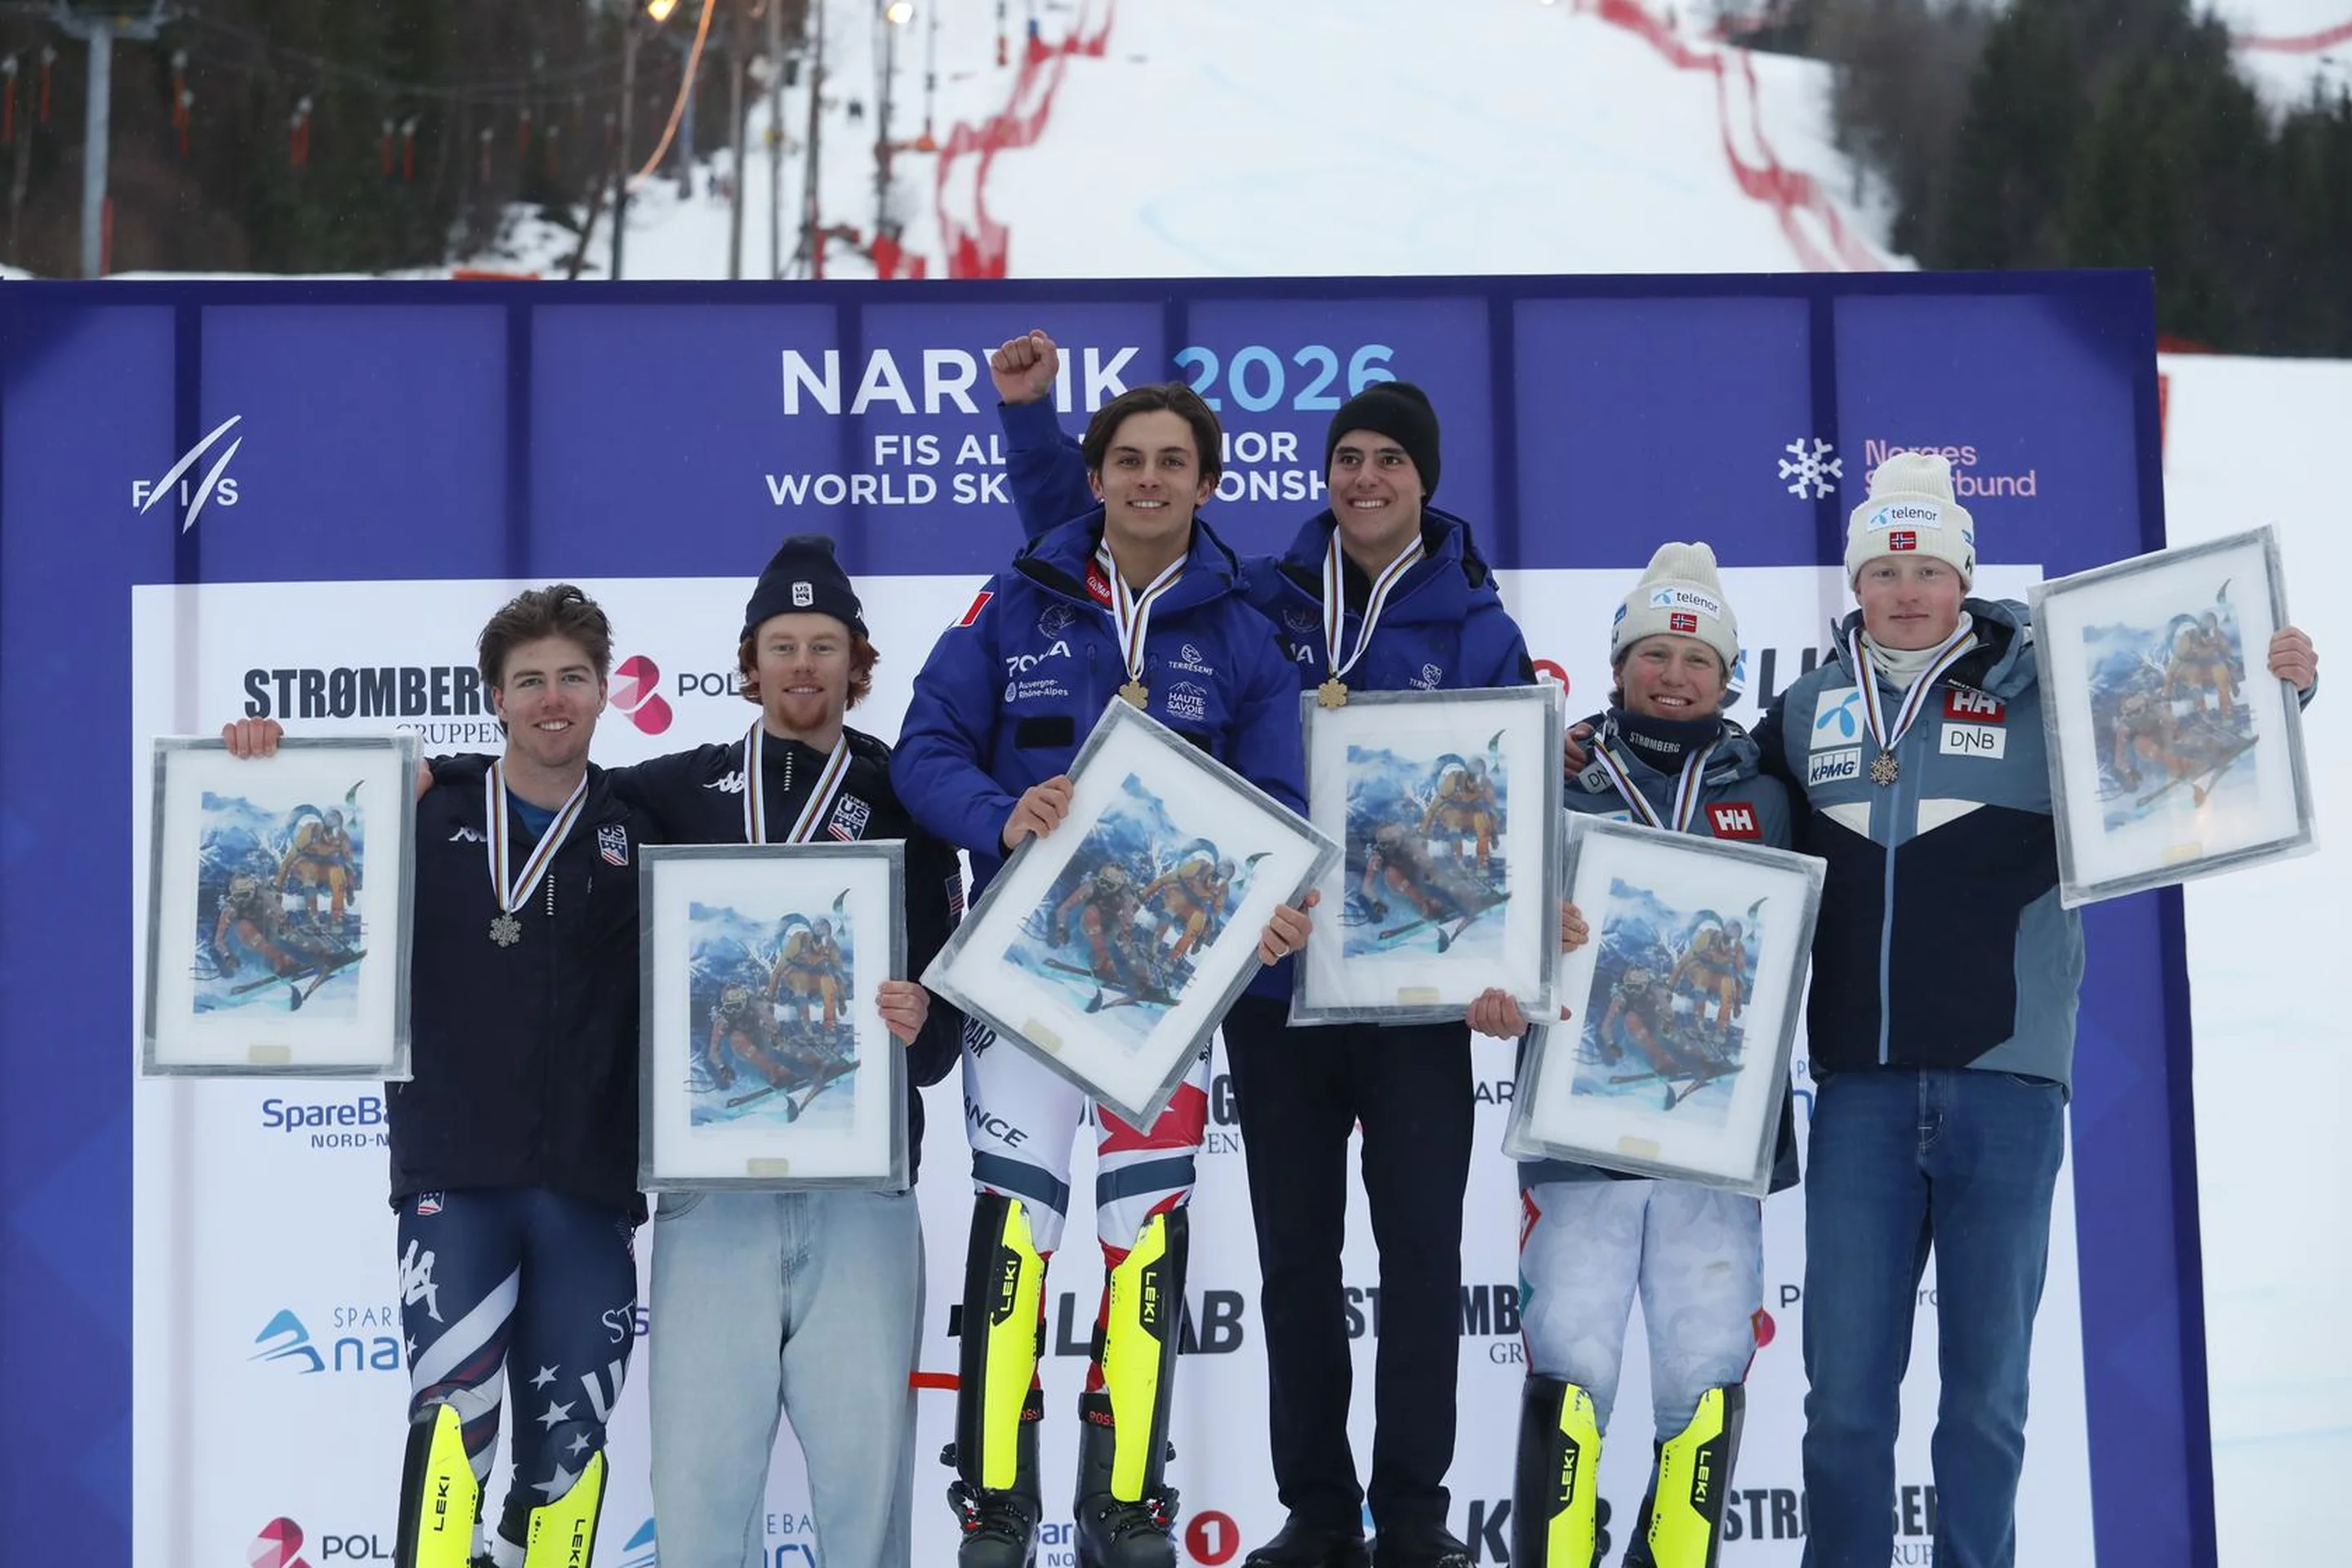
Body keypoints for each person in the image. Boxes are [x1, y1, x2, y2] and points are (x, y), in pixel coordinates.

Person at [986, 329, 1536, 1568]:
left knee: (1423, 1262)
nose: (1365, 479)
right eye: (1347, 459)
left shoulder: (1481, 630)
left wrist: (1510, 961)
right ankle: (1318, 1513)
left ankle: (1413, 1518)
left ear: (1425, 479)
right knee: (1295, 1260)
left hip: (1414, 1002)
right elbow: (1084, 541)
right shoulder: (1258, 598)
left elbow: (1506, 815)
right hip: (1273, 982)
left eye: (1390, 459)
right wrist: (1029, 418)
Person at [1749, 453, 2319, 1568]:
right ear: (1856, 584)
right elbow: (1720, 818)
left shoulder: (2045, 685)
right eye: (1884, 568)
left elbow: (2183, 728)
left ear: (1964, 577)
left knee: (1987, 1407)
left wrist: (2278, 682)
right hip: (1860, 1097)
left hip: (2006, 1088)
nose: (1907, 590)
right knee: (1846, 1406)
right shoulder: (1805, 710)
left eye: (1928, 568)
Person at [429, 537, 966, 1568]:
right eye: (781, 645)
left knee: (867, 1497)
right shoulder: (679, 790)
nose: (802, 666)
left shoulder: (913, 800)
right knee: (702, 1494)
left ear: (857, 663)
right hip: (709, 1192)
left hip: (865, 1194)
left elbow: (942, 1038)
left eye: (823, 646)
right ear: (749, 661)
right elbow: (552, 775)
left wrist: (920, 1020)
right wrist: (442, 770)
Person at [892, 379, 1316, 1568]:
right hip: (1021, 982)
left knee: (1147, 1233)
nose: (1147, 480)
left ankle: (1128, 1500)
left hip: (1161, 998)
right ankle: (996, 1503)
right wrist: (999, 813)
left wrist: (1265, 912)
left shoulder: (1243, 631)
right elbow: (925, 750)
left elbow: (1278, 806)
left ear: (1206, 481)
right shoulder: (1013, 603)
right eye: (1127, 459)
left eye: (1171, 462)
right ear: (1094, 477)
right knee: (1015, 1229)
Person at [226, 584, 647, 1568]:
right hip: (455, 1180)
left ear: (603, 693)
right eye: (530, 680)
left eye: (573, 679)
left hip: (592, 1186)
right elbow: (284, 842)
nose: (554, 698)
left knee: (569, 1456)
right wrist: (264, 763)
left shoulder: (643, 823)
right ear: (495, 698)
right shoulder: (421, 804)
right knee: (456, 1426)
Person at [1469, 543, 1798, 1568]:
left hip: (1719, 1135)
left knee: (1706, 1357)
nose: (1673, 674)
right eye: (1653, 652)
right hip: (1579, 1126)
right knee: (1571, 1352)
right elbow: (1487, 918)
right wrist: (1503, 980)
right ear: (1616, 667)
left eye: (1697, 660)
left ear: (1729, 679)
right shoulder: (1555, 776)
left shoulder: (1771, 790)